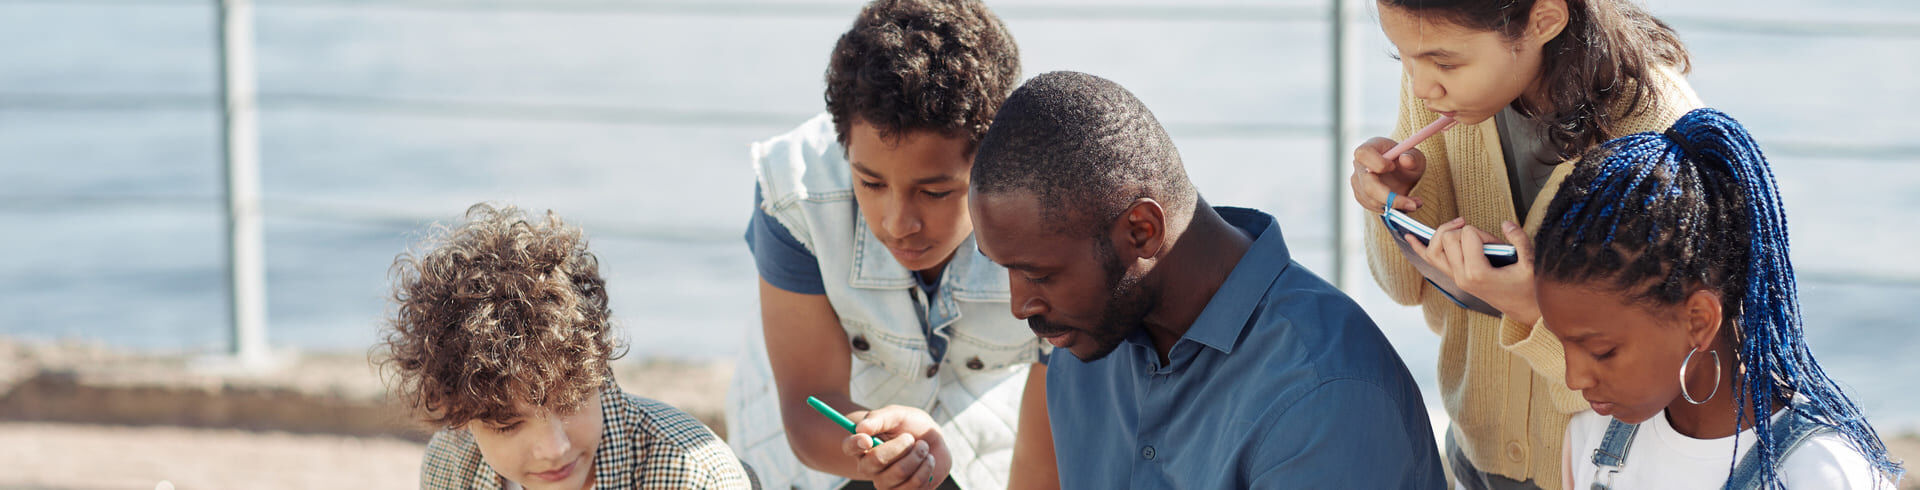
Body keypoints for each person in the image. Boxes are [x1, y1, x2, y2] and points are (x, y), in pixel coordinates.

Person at [969, 70, 1445, 489]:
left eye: (1039, 275)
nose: (1020, 305)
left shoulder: (1326, 395)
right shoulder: (1084, 342)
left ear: (1142, 231)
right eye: (1004, 267)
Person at [1351, 0, 1703, 486]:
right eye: (1403, 59)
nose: (1420, 86)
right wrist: (1393, 201)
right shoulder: (1440, 91)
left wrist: (1533, 310)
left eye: (1445, 63)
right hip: (1474, 454)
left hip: (1605, 469)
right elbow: (1403, 287)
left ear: (1545, 20)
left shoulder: (1657, 134)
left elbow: (1669, 371)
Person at [723, 1, 1052, 488]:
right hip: (819, 458)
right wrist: (881, 456)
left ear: (995, 160)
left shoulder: (1058, 216)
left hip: (988, 439)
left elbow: (1051, 458)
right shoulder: (793, 190)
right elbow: (807, 400)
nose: (899, 224)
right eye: (870, 183)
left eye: (936, 192)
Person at [1531, 109, 1903, 489]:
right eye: (1563, 344)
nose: (1573, 378)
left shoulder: (1820, 473)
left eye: (1602, 350)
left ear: (1699, 321)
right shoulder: (1593, 442)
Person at [378, 203, 755, 489]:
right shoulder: (452, 466)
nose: (554, 448)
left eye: (570, 403)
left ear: (596, 369)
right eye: (509, 425)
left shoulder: (693, 478)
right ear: (458, 417)